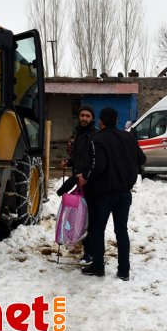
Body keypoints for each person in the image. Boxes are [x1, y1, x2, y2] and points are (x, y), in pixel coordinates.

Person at [76, 107, 146, 281]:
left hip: (103, 194)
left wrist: (85, 177)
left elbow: (98, 165)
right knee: (121, 231)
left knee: (97, 231)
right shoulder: (129, 137)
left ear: (101, 121)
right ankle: (124, 271)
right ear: (116, 121)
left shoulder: (98, 139)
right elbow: (142, 159)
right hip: (124, 193)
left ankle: (98, 267)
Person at [56, 105, 97, 264]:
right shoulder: (78, 135)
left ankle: (91, 253)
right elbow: (79, 158)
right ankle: (84, 247)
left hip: (90, 183)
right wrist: (69, 161)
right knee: (80, 216)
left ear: (92, 118)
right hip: (78, 182)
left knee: (90, 219)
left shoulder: (95, 135)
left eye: (87, 116)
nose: (84, 118)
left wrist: (86, 175)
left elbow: (94, 160)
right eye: (82, 115)